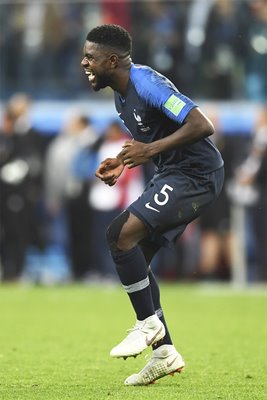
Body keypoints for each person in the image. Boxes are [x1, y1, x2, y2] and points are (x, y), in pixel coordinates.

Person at [81, 24, 224, 386]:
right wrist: (125, 159)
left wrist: (148, 152)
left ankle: (147, 325)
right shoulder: (120, 93)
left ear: (112, 60)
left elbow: (201, 124)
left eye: (90, 57)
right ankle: (164, 353)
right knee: (136, 261)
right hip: (172, 173)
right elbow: (151, 135)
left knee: (119, 235)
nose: (85, 63)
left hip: (196, 175)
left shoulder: (147, 83)